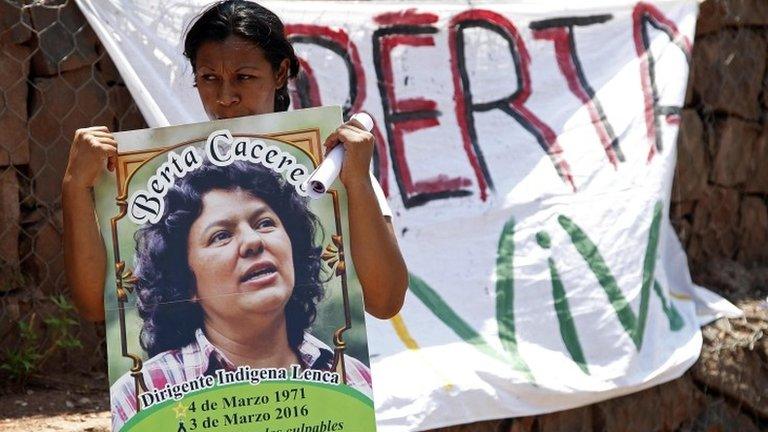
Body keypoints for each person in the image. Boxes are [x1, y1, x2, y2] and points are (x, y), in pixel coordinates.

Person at [63, 0, 408, 323]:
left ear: (279, 73)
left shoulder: (329, 166)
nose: (225, 97)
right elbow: (96, 306)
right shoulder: (168, 176)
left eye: (244, 77)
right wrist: (75, 187)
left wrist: (359, 182)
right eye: (209, 78)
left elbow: (385, 301)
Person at [109, 160, 373, 429]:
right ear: (186, 283)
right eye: (221, 235)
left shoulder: (353, 378)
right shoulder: (143, 395)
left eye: (265, 223)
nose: (253, 241)